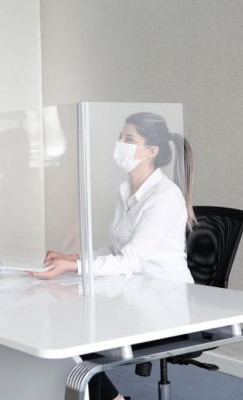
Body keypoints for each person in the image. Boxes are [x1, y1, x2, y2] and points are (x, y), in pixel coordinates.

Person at [33, 111, 196, 400]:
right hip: (131, 291)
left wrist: (74, 265)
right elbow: (115, 251)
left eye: (129, 139)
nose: (119, 144)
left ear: (151, 151)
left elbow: (131, 261)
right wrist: (71, 257)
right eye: (120, 137)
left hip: (162, 301)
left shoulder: (164, 197)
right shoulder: (126, 190)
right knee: (64, 321)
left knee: (76, 333)